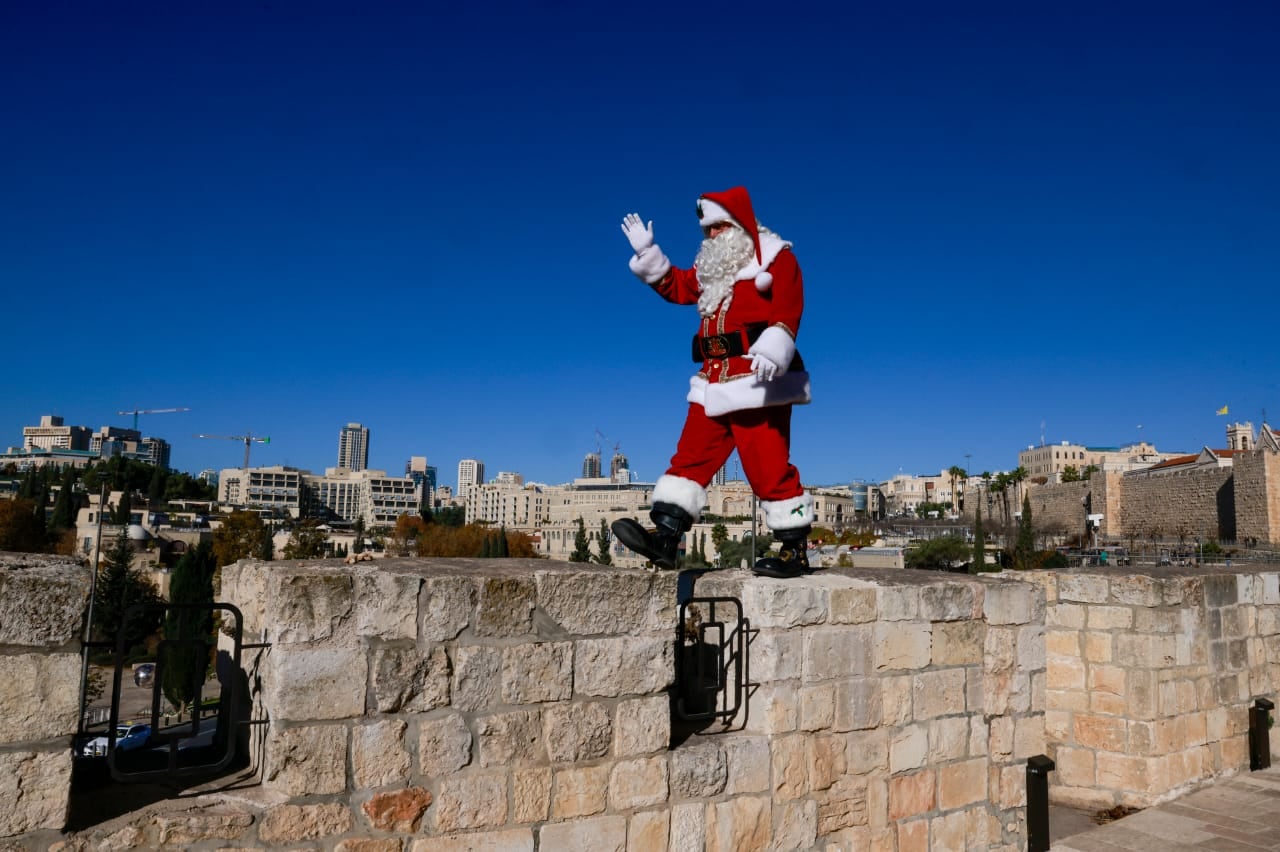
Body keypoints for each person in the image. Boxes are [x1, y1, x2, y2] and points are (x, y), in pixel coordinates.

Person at [610, 186, 814, 578]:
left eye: (719, 227)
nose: (712, 237)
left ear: (739, 224)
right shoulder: (713, 272)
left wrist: (776, 345)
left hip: (758, 382)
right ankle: (667, 539)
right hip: (713, 380)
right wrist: (647, 255)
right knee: (690, 457)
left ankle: (794, 550)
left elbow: (789, 307)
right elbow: (679, 287)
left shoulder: (775, 258)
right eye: (707, 231)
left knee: (766, 465)